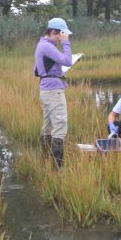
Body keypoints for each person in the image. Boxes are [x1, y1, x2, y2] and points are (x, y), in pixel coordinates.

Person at [34, 18, 74, 168]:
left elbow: (38, 70)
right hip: (52, 91)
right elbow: (68, 61)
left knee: (48, 125)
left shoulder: (42, 45)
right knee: (60, 125)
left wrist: (59, 78)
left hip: (47, 88)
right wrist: (66, 43)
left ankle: (45, 161)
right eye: (61, 35)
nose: (62, 37)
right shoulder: (47, 46)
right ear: (53, 32)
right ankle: (58, 168)